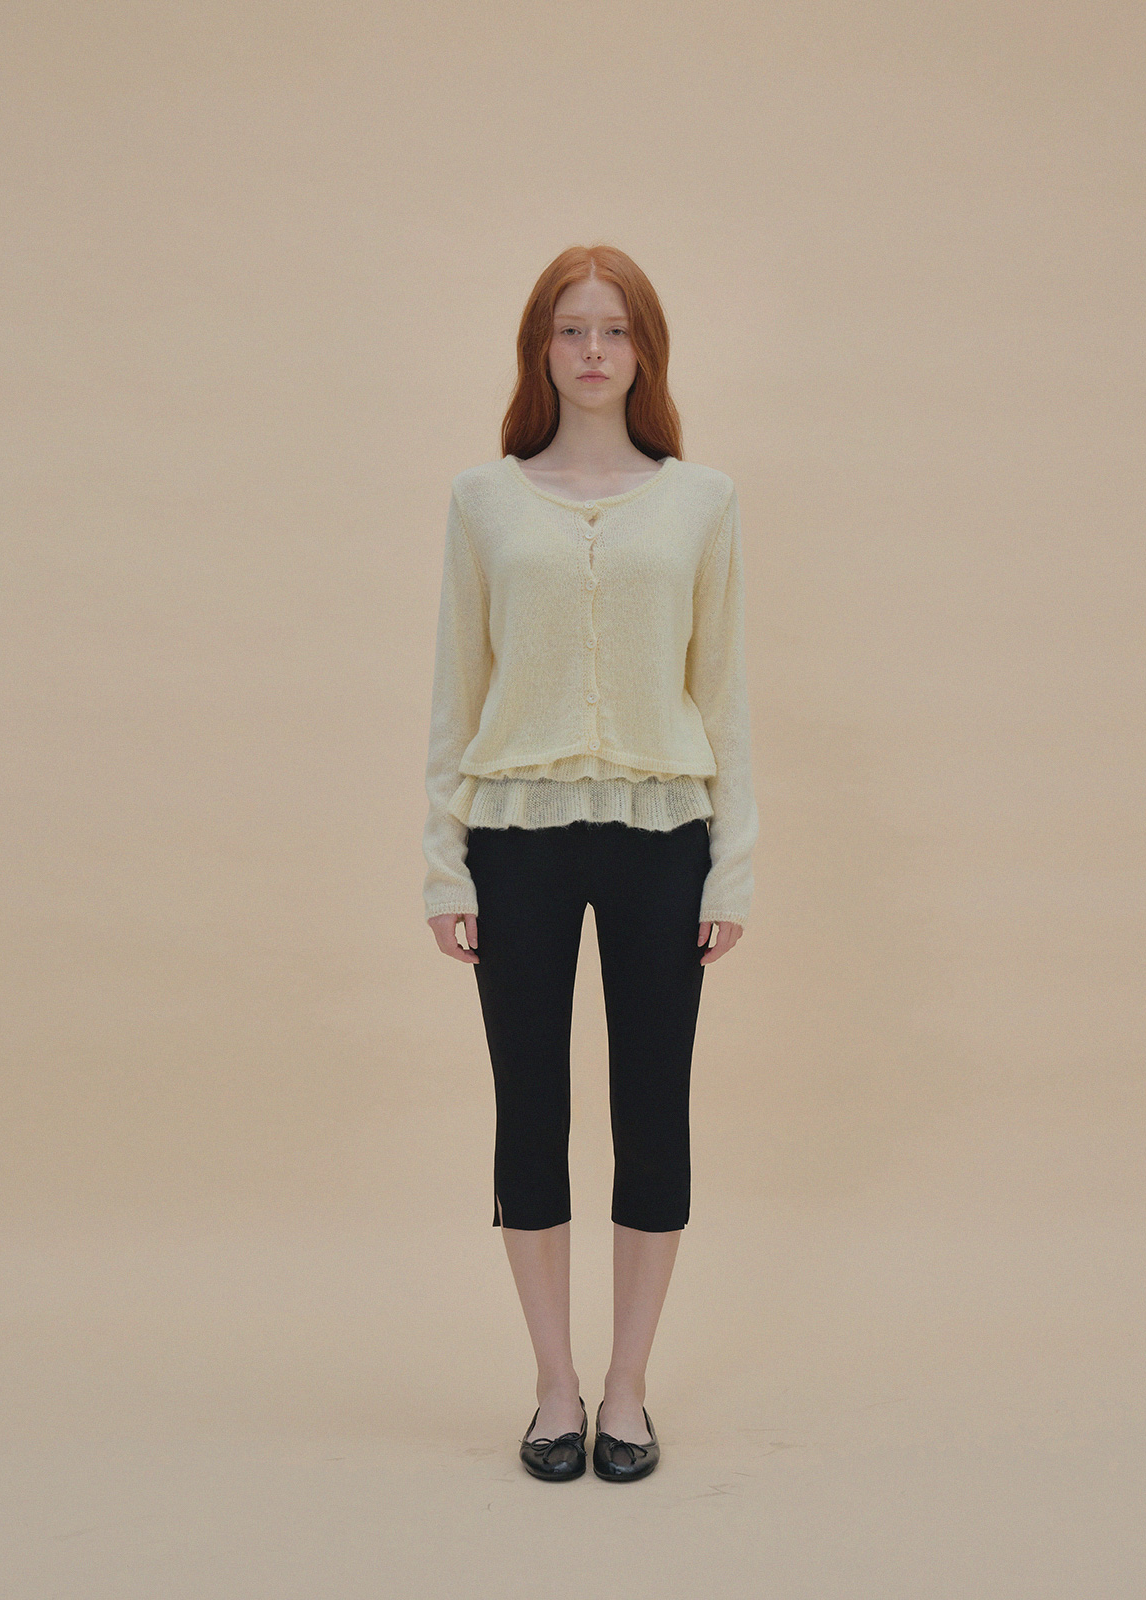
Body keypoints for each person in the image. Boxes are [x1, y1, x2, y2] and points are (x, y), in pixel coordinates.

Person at [422, 244, 758, 1482]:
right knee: (531, 1111)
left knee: (652, 1112)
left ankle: (627, 1389)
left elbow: (722, 694)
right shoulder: (484, 500)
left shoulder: (703, 500)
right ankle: (554, 1386)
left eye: (616, 330)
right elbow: (456, 692)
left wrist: (732, 867)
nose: (594, 351)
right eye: (572, 329)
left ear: (646, 351)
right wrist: (444, 864)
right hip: (514, 838)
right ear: (541, 349)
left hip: (664, 837)